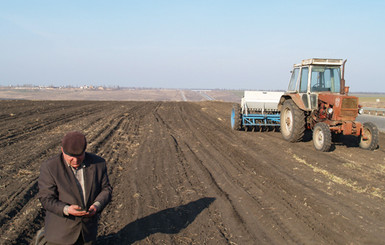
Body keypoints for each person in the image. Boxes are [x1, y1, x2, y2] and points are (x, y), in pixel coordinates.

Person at [37, 131, 112, 245]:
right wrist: (67, 209)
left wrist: (96, 206)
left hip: (87, 233)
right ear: (62, 150)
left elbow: (106, 189)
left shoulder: (98, 163)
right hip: (60, 235)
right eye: (71, 157)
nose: (76, 161)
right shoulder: (50, 167)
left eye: (80, 156)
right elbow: (46, 198)